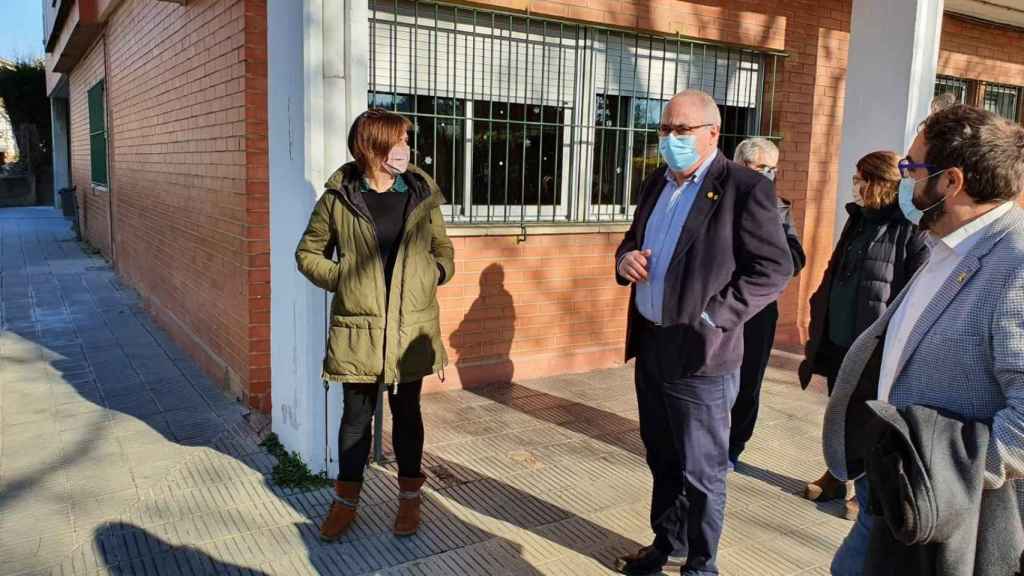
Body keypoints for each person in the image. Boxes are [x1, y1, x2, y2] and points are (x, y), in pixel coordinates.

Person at [822, 104, 1024, 575]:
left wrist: (947, 477)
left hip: (948, 509)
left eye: (913, 168)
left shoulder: (1015, 264)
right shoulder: (946, 244)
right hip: (891, 479)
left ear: (951, 182)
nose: (906, 182)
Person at [613, 90, 793, 576]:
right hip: (651, 343)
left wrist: (717, 316)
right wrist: (624, 258)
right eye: (665, 129)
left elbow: (774, 268)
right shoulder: (656, 182)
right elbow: (634, 239)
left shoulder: (744, 187)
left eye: (681, 130)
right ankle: (665, 543)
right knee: (662, 456)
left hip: (702, 353)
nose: (670, 138)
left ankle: (701, 563)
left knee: (703, 471)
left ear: (713, 133)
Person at [295, 109, 455, 541]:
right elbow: (307, 254)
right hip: (358, 330)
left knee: (407, 415)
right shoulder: (339, 198)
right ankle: (345, 503)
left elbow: (443, 249)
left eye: (407, 140)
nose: (406, 148)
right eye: (399, 140)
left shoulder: (420, 195)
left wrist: (433, 274)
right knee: (355, 418)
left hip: (410, 326)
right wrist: (343, 279)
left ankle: (409, 500)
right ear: (373, 146)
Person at [798, 151, 928, 517]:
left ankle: (867, 486)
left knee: (873, 416)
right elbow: (835, 269)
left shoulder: (910, 227)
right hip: (840, 335)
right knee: (840, 410)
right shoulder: (857, 220)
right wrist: (818, 308)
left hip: (878, 347)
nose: (855, 185)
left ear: (880, 183)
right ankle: (837, 474)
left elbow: (913, 292)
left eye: (860, 179)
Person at [728, 138, 806, 467]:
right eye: (761, 168)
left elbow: (796, 259)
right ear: (740, 166)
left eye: (773, 170)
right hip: (720, 303)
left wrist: (770, 236)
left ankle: (734, 446)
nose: (768, 176)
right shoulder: (717, 201)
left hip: (759, 309)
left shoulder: (779, 208)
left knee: (748, 381)